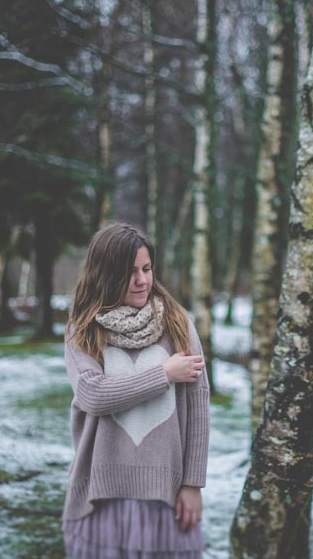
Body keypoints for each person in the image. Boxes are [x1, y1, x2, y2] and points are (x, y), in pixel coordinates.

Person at [61, 223, 210, 558]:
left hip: (166, 497)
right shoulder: (82, 330)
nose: (143, 281)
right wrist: (165, 373)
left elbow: (198, 405)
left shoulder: (177, 323)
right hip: (100, 498)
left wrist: (193, 484)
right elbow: (92, 394)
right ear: (106, 275)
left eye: (147, 269)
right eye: (130, 273)